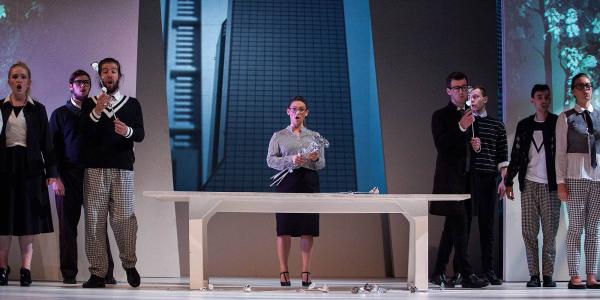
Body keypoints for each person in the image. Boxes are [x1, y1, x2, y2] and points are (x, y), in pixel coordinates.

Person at [80, 58, 144, 288]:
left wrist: (126, 131)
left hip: (123, 168)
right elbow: (83, 134)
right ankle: (98, 272)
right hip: (95, 168)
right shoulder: (90, 104)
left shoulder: (132, 104)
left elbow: (140, 134)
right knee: (95, 220)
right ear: (100, 77)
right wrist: (97, 111)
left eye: (113, 71)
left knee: (125, 219)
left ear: (119, 76)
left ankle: (129, 264)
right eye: (105, 71)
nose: (109, 74)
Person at [49, 69, 116, 284]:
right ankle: (69, 275)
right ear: (70, 86)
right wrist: (55, 178)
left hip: (94, 174)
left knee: (97, 225)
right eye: (79, 82)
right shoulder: (60, 114)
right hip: (68, 176)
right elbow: (52, 150)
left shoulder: (98, 111)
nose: (83, 86)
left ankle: (106, 273)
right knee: (68, 227)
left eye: (87, 82)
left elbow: (108, 142)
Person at [0, 61, 57, 287]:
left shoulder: (38, 109)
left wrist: (52, 173)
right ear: (9, 81)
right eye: (15, 76)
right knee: (4, 220)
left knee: (27, 220)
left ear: (29, 82)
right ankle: (2, 269)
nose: (19, 80)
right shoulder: (0, 107)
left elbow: (47, 144)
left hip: (31, 171)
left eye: (23, 76)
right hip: (3, 170)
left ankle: (26, 270)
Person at [429, 72, 488, 288]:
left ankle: (439, 271)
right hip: (450, 181)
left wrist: (477, 147)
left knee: (453, 227)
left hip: (468, 179)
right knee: (459, 226)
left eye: (464, 87)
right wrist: (461, 127)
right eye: (457, 88)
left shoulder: (471, 115)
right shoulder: (440, 116)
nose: (462, 92)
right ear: (448, 91)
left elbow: (473, 148)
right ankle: (466, 273)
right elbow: (442, 145)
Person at [505, 84, 560, 288]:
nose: (543, 101)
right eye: (539, 97)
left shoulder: (557, 122)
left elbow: (563, 155)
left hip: (551, 186)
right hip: (528, 184)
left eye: (546, 97)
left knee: (550, 232)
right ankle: (534, 275)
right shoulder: (525, 125)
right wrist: (509, 180)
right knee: (529, 232)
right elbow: (517, 155)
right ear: (532, 100)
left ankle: (548, 275)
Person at [266, 96, 325, 287]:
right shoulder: (279, 135)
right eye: (294, 109)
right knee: (284, 229)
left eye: (301, 109)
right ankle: (283, 272)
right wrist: (289, 160)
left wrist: (315, 159)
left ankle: (306, 272)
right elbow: (270, 160)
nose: (298, 112)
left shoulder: (315, 136)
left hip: (309, 183)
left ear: (306, 112)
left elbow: (322, 163)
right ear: (288, 111)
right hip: (287, 183)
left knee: (307, 229)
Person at [555, 73, 600, 289]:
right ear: (573, 91)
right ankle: (574, 275)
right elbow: (560, 152)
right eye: (581, 86)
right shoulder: (566, 117)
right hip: (575, 177)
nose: (586, 90)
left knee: (593, 228)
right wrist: (560, 182)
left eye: (588, 86)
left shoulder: (599, 115)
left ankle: (591, 274)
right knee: (576, 228)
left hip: (597, 178)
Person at [466, 85, 508, 285]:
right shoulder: (466, 123)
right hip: (468, 179)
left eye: (475, 97)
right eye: (470, 98)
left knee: (487, 225)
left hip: (488, 179)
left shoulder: (497, 125)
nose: (472, 100)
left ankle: (488, 270)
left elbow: (502, 156)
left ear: (485, 99)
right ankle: (462, 271)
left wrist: (503, 180)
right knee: (463, 225)